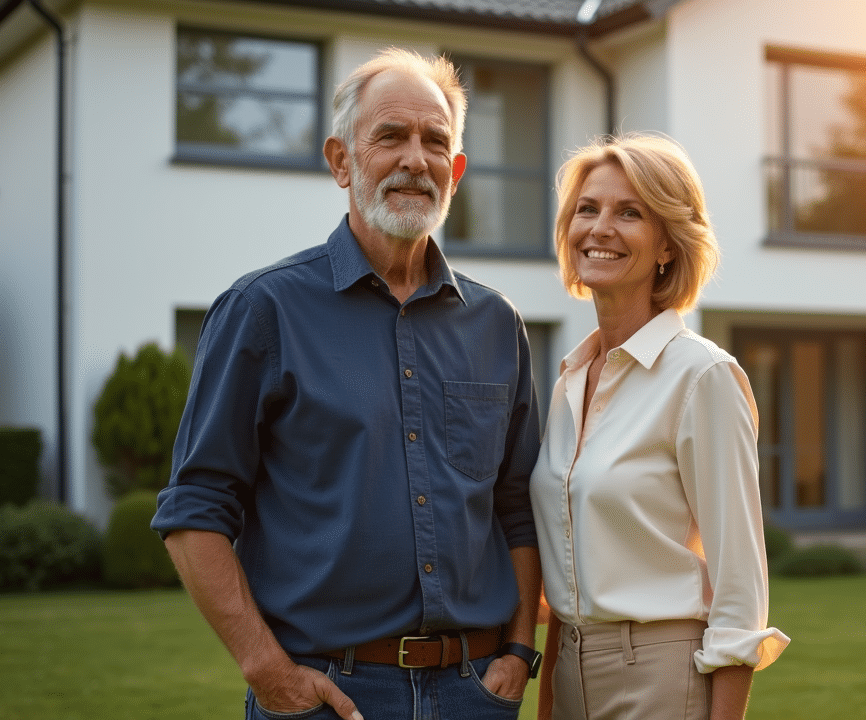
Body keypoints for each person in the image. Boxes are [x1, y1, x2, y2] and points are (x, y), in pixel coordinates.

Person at [152, 48, 542, 720]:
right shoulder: (262, 310)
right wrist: (267, 670)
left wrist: (516, 651)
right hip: (328, 697)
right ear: (341, 161)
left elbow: (517, 505)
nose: (414, 159)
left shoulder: (497, 324)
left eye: (435, 142)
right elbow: (194, 510)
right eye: (389, 136)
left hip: (475, 692)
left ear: (456, 172)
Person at [530, 134, 790, 720]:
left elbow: (739, 590)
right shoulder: (571, 379)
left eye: (630, 213)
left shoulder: (703, 377)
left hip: (660, 678)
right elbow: (563, 577)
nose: (599, 228)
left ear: (668, 245)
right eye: (586, 209)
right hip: (568, 669)